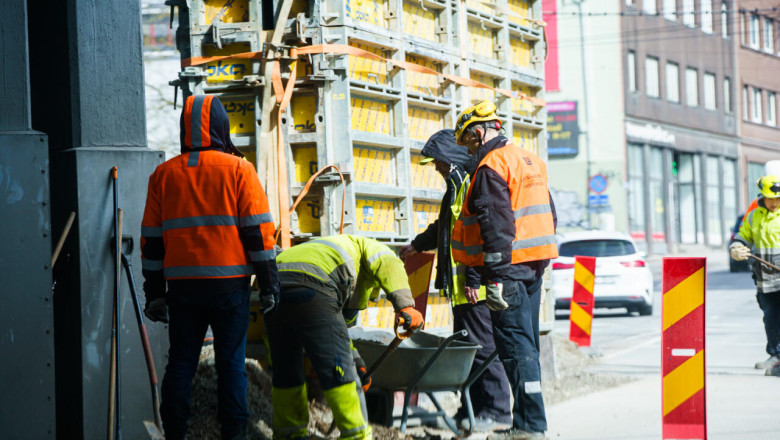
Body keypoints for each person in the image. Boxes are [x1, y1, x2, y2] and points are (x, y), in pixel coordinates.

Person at [141, 94, 280, 440]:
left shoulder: (163, 175)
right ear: (221, 126)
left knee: (181, 363)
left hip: (182, 288)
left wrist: (155, 293)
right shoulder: (239, 170)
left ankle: (175, 433)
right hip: (229, 286)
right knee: (231, 363)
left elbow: (152, 242)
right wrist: (269, 285)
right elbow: (259, 235)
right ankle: (234, 434)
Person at [451, 101, 558, 440]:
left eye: (468, 141)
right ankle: (529, 421)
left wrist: (492, 276)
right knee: (527, 348)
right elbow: (549, 214)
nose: (469, 149)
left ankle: (529, 427)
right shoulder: (530, 160)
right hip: (534, 266)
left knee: (515, 347)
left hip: (508, 270)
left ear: (479, 132)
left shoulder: (490, 165)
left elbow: (495, 226)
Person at [398, 129, 512, 431]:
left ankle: (497, 411)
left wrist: (474, 278)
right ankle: (472, 409)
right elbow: (446, 226)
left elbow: (478, 233)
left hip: (472, 287)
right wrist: (418, 245)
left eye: (439, 161)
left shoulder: (468, 182)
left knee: (483, 349)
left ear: (452, 159)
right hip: (462, 288)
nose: (436, 167)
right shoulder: (456, 185)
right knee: (469, 352)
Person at [267, 234, 424, 440]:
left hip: (272, 288)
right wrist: (405, 305)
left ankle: (289, 434)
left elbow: (338, 336)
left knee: (286, 368)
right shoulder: (371, 248)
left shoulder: (328, 252)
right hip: (313, 284)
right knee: (340, 371)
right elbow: (390, 263)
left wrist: (357, 362)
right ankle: (356, 434)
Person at [730, 175, 780, 376]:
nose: (774, 203)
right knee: (771, 319)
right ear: (762, 196)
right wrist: (736, 248)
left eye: (778, 199)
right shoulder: (753, 217)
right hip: (765, 281)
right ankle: (775, 356)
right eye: (771, 199)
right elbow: (741, 238)